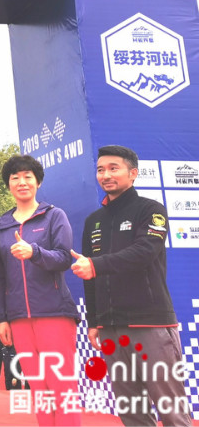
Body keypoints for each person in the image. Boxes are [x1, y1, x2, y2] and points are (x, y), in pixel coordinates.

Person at [71, 145, 191, 426]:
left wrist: (96, 265)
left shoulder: (151, 210)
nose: (106, 175)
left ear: (133, 173)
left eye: (114, 168)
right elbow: (89, 275)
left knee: (171, 410)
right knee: (132, 411)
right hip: (111, 328)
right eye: (101, 169)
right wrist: (94, 322)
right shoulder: (93, 221)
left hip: (149, 324)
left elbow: (144, 252)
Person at [0, 155, 80, 426]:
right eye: (15, 177)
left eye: (28, 176)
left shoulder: (54, 216)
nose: (22, 182)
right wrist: (0, 317)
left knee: (62, 387)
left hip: (54, 313)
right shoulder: (1, 225)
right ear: (8, 184)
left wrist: (34, 252)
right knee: (39, 388)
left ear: (38, 182)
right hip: (18, 318)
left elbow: (64, 258)